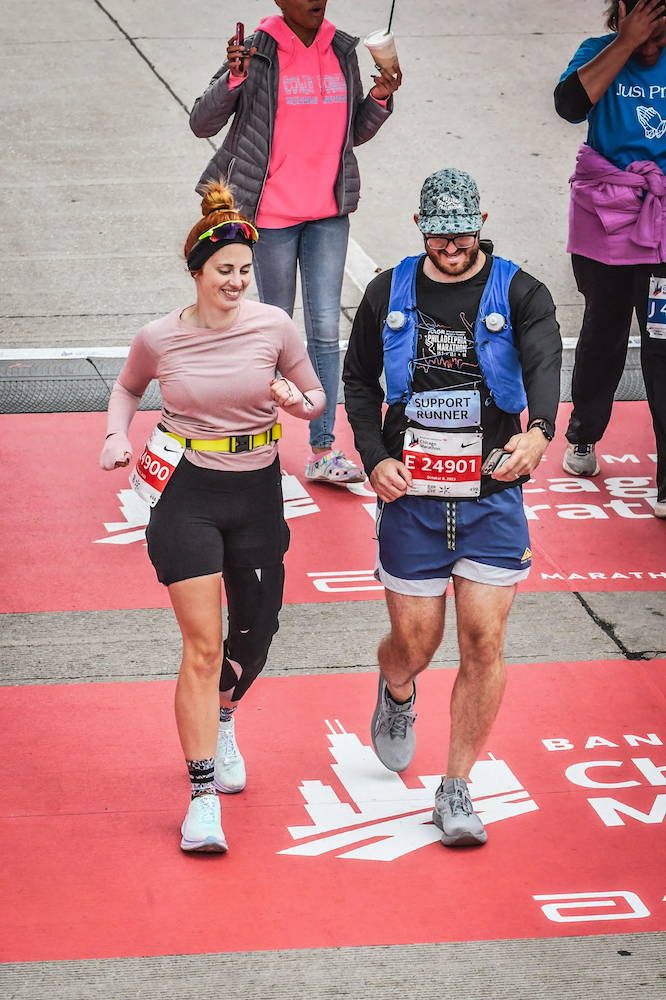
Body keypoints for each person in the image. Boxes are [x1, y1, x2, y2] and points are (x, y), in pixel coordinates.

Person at [99, 183, 325, 853]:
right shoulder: (159, 336)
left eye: (243, 271)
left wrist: (295, 401)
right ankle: (201, 798)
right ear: (197, 272)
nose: (235, 281)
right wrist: (117, 435)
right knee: (202, 647)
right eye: (223, 270)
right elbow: (127, 387)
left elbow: (315, 396)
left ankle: (226, 717)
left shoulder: (274, 325)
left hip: (257, 489)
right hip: (187, 491)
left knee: (253, 640)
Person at [343, 169, 562, 847]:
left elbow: (546, 363)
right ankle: (398, 689)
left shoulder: (522, 292)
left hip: (491, 497)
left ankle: (456, 788)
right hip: (413, 497)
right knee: (415, 643)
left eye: (463, 232)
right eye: (439, 233)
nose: (451, 245)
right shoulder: (389, 290)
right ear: (420, 227)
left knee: (483, 641)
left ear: (482, 221)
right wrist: (375, 455)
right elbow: (356, 379)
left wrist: (539, 431)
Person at [189, 0, 401, 486]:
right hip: (272, 217)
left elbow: (350, 134)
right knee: (270, 331)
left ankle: (323, 449)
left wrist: (381, 99)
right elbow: (202, 122)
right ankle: (257, 446)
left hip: (328, 214)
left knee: (326, 333)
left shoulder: (342, 48)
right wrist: (234, 80)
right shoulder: (256, 49)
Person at [555, 0, 666, 518]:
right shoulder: (598, 52)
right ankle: (583, 437)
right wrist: (624, 42)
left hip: (662, 230)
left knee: (663, 346)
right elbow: (569, 105)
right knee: (604, 331)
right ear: (620, 10)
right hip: (605, 223)